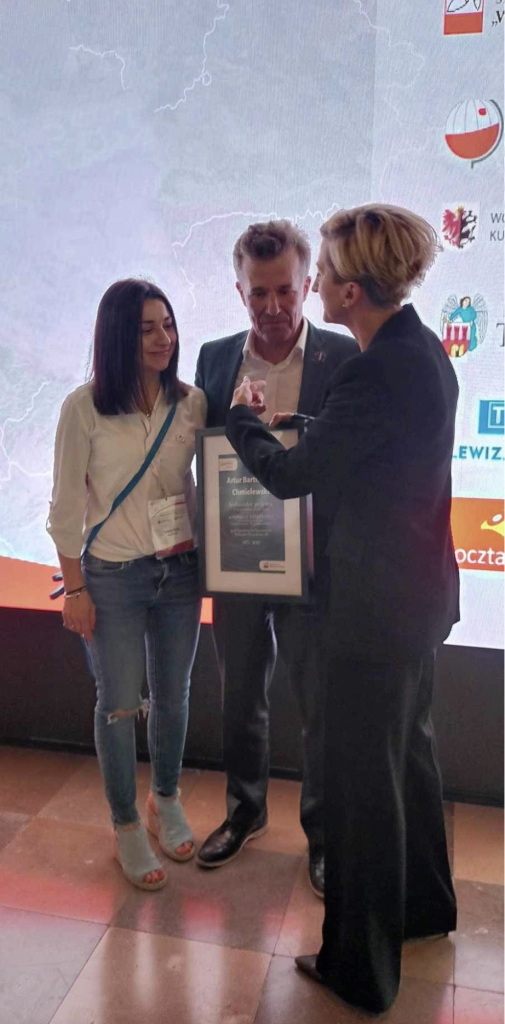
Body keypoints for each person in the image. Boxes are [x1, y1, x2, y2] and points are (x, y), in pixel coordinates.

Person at [226, 204, 459, 1014]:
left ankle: (359, 968)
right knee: (410, 762)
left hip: (370, 613)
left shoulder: (369, 370)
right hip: (415, 602)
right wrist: (302, 423)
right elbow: (365, 443)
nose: (314, 284)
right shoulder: (417, 350)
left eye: (320, 272)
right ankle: (424, 908)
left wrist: (243, 423)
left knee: (364, 790)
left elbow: (292, 478)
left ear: (349, 290)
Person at [195, 220, 357, 895]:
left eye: (284, 291)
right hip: (236, 556)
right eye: (257, 293)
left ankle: (322, 836)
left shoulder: (343, 356)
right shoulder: (213, 359)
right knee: (239, 696)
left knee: (318, 704)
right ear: (239, 290)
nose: (271, 306)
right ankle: (245, 812)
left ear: (308, 284)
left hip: (311, 563)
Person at [47, 279, 206, 891]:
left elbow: (212, 479)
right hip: (112, 576)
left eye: (168, 324)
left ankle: (164, 799)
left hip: (180, 571)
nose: (164, 338)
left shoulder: (191, 402)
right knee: (118, 705)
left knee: (174, 696)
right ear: (117, 335)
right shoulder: (82, 409)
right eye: (146, 329)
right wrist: (76, 590)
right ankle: (126, 826)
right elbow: (66, 509)